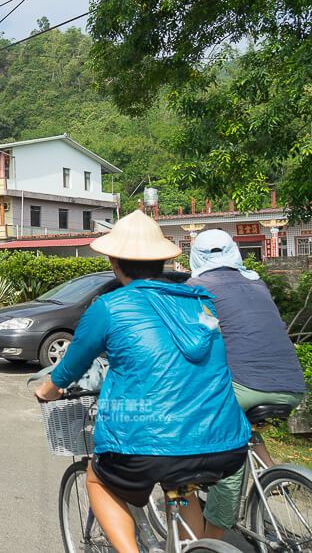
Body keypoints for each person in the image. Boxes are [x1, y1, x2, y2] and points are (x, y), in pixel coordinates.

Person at [34, 210, 250, 553]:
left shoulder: (109, 306)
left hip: (147, 448)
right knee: (182, 489)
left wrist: (47, 391)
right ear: (162, 260)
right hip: (226, 444)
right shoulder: (201, 304)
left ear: (114, 261)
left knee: (97, 478)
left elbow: (69, 367)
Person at [187, 229, 307, 539]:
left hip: (246, 386)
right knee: (241, 425)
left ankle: (211, 540)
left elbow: (196, 341)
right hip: (292, 383)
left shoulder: (196, 287)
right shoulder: (257, 283)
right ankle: (272, 477)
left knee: (220, 445)